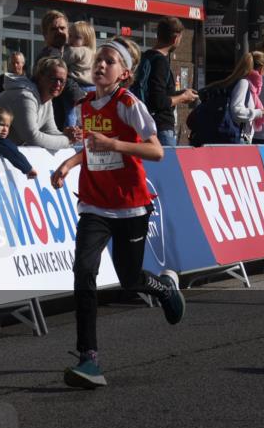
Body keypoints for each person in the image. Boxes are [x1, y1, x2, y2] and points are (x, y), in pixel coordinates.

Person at [49, 36, 185, 389]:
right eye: (98, 59)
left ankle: (164, 288)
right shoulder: (86, 103)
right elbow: (93, 149)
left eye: (109, 61)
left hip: (129, 205)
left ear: (124, 73)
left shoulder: (128, 103)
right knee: (84, 271)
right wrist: (70, 162)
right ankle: (88, 358)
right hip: (94, 203)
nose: (100, 65)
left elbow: (157, 152)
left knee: (129, 279)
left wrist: (115, 144)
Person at [0, 57, 82, 150]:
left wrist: (68, 136)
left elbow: (49, 131)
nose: (58, 84)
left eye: (62, 81)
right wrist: (67, 140)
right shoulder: (25, 96)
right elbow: (33, 138)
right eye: (53, 79)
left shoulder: (47, 100)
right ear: (40, 76)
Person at [132, 17, 197, 147]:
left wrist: (180, 94)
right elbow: (159, 101)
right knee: (168, 166)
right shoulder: (160, 61)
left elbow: (155, 93)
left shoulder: (145, 57)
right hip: (161, 128)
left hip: (143, 125)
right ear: (175, 38)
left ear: (158, 35)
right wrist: (183, 97)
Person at [36, 10, 84, 134]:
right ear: (45, 35)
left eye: (62, 28)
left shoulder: (68, 53)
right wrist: (84, 98)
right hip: (54, 122)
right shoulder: (49, 55)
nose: (59, 32)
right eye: (54, 29)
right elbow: (65, 82)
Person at [227, 51, 264, 144]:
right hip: (237, 139)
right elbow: (236, 111)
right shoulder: (244, 83)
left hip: (242, 139)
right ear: (262, 68)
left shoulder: (251, 86)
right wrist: (262, 112)